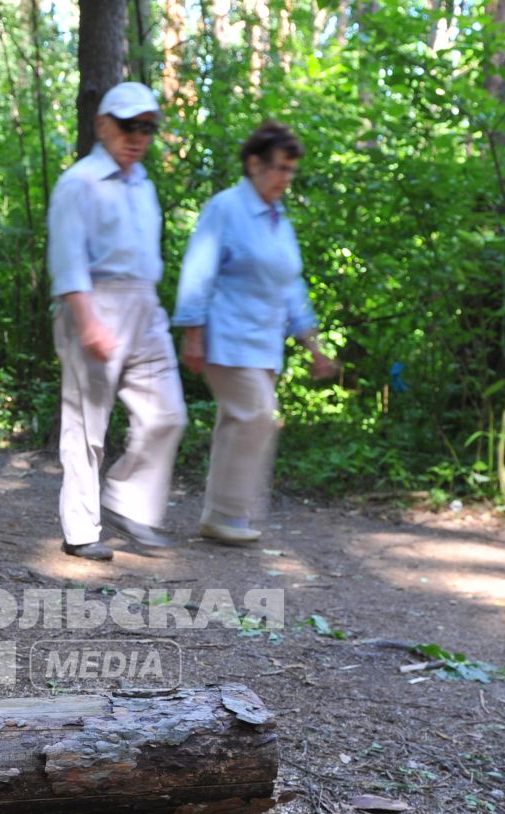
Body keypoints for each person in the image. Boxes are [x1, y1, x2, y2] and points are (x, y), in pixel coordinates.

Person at [173, 120, 337, 546]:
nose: (286, 178)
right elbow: (198, 271)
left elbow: (291, 286)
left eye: (291, 170)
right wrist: (192, 333)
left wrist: (314, 348)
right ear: (254, 164)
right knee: (257, 414)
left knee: (239, 420)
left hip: (264, 344)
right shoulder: (226, 208)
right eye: (280, 168)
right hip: (224, 337)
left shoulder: (278, 220)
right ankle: (229, 514)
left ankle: (222, 514)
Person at [45, 82, 188, 562]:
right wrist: (87, 321)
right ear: (103, 126)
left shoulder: (144, 184)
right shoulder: (79, 183)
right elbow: (67, 261)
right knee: (87, 427)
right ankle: (82, 530)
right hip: (94, 303)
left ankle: (128, 499)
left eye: (148, 127)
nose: (139, 136)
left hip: (145, 308)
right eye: (129, 126)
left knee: (168, 413)